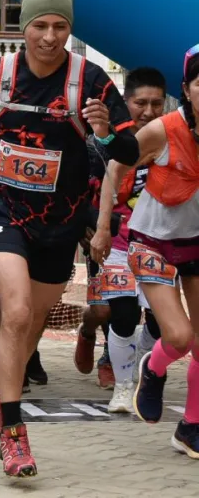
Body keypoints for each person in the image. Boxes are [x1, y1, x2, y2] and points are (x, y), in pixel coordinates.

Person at [0, 0, 139, 477]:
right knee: (17, 312)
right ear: (25, 28)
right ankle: (14, 433)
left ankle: (1, 399)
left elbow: (129, 153)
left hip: (60, 220)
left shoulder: (90, 81)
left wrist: (106, 131)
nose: (49, 36)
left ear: (69, 30)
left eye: (60, 26)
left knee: (32, 324)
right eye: (40, 25)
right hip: (2, 209)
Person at [111, 46, 199, 458]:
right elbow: (119, 163)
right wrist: (100, 227)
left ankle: (190, 428)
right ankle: (153, 366)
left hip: (196, 243)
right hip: (152, 241)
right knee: (179, 336)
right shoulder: (163, 129)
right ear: (187, 89)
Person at [86, 67, 166, 413]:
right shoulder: (105, 143)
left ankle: (138, 369)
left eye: (156, 104)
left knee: (162, 325)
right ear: (126, 102)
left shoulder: (173, 137)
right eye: (140, 103)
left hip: (160, 245)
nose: (148, 111)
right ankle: (122, 386)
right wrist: (99, 229)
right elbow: (97, 185)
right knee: (120, 315)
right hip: (115, 242)